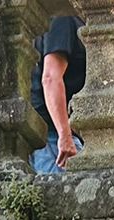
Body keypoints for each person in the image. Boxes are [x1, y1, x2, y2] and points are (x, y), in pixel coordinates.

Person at [31, 10, 86, 173]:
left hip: (56, 134)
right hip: (54, 137)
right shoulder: (64, 19)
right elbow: (50, 78)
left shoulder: (71, 21)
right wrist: (65, 135)